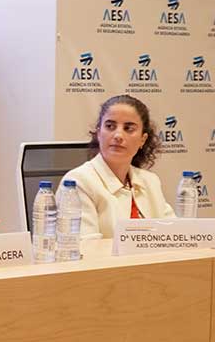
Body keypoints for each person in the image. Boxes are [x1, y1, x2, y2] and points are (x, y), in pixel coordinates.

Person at [61, 94, 175, 237]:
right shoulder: (78, 182)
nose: (118, 135)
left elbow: (173, 236)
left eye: (128, 128)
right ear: (98, 133)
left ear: (142, 140)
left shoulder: (150, 181)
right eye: (110, 126)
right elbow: (86, 248)